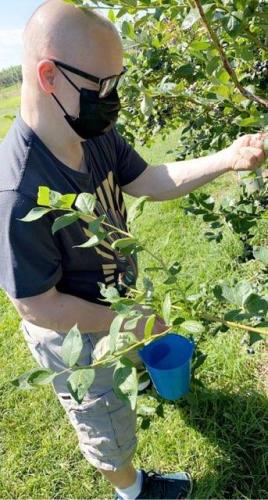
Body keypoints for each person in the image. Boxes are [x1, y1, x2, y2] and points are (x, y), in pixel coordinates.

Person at [0, 1, 267, 498]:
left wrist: (229, 158)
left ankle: (138, 372)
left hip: (120, 301)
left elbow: (145, 179)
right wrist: (131, 321)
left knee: (134, 356)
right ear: (49, 75)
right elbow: (37, 305)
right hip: (74, 334)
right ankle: (132, 488)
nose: (114, 99)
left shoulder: (92, 129)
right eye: (104, 86)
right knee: (105, 424)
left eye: (118, 83)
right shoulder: (17, 193)